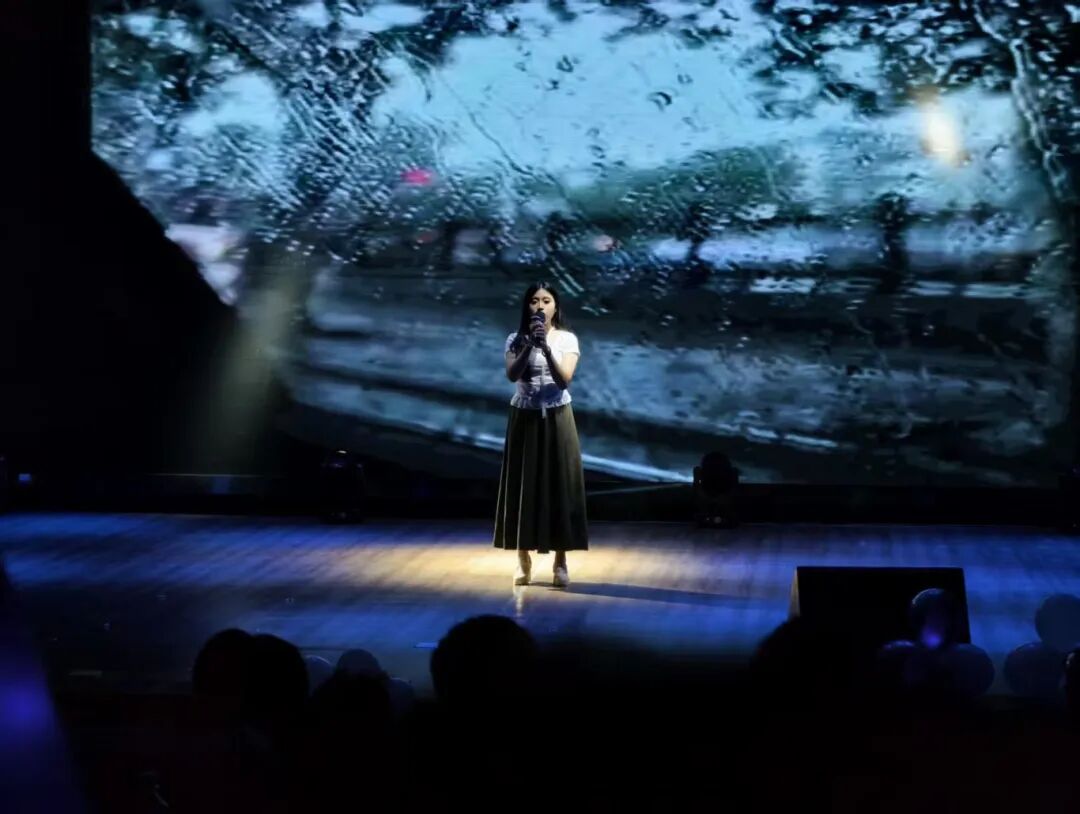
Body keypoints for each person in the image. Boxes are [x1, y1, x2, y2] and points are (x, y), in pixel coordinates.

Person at [494, 281, 588, 587]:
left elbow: (564, 380)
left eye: (546, 301)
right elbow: (512, 375)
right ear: (527, 306)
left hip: (558, 415)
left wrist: (546, 348)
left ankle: (561, 560)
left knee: (559, 485)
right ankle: (523, 558)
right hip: (525, 416)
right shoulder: (515, 339)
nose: (540, 306)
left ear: (555, 306)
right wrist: (530, 345)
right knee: (523, 485)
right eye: (534, 301)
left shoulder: (567, 339)